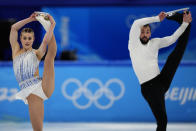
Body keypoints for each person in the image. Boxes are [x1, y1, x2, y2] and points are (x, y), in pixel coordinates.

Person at [128, 11, 192, 131]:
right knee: (162, 120)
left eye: (147, 32)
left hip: (161, 81)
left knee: (176, 55)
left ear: (150, 34)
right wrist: (157, 18)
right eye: (142, 32)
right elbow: (137, 23)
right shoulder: (133, 44)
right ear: (138, 34)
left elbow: (173, 38)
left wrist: (184, 25)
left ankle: (185, 22)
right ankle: (184, 22)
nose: (145, 35)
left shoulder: (155, 42)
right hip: (149, 88)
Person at [9, 12, 57, 131]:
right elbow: (14, 28)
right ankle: (47, 24)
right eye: (24, 38)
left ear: (33, 39)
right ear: (20, 39)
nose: (27, 40)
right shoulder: (15, 51)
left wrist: (51, 26)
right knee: (37, 129)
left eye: (29, 38)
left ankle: (48, 24)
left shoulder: (36, 53)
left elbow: (46, 41)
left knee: (49, 58)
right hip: (29, 91)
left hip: (41, 86)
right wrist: (31, 19)